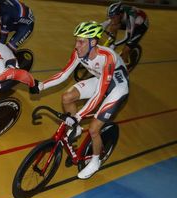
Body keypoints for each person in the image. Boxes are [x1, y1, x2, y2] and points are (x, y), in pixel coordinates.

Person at [34, 21, 129, 179]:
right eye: (76, 40)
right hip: (101, 80)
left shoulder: (107, 57)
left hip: (117, 87)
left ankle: (95, 161)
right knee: (67, 97)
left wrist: (78, 116)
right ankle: (76, 128)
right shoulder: (79, 52)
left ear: (93, 42)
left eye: (81, 41)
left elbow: (99, 95)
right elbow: (64, 74)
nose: (77, 45)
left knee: (93, 129)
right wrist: (41, 86)